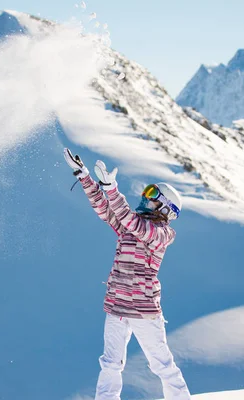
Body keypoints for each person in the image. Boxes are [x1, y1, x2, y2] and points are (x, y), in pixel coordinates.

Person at [63, 148, 191, 400]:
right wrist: (84, 176)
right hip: (117, 306)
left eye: (152, 195)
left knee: (162, 365)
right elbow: (106, 211)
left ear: (165, 207)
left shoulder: (161, 234)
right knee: (110, 363)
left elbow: (130, 221)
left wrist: (112, 188)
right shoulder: (131, 227)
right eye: (146, 193)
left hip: (143, 310)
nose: (145, 198)